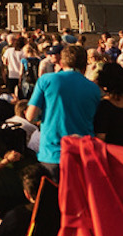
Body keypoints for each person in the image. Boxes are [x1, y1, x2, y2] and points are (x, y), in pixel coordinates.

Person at [24, 44, 104, 177]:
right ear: (85, 66)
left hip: (52, 153)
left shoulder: (46, 80)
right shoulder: (94, 89)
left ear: (61, 62)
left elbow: (30, 116)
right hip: (82, 152)